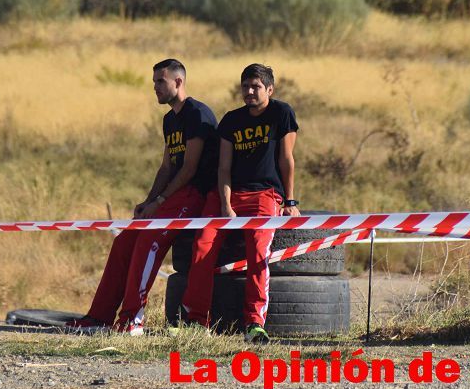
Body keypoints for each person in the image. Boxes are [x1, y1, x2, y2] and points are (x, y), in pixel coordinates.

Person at [66, 59, 218, 335]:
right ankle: (99, 317)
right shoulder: (169, 119)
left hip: (196, 194)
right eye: (154, 83)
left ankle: (132, 319)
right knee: (125, 240)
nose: (155, 88)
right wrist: (149, 202)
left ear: (178, 82)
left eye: (161, 82)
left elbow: (189, 169)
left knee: (149, 239)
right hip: (173, 195)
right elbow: (167, 167)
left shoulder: (198, 113)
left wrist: (159, 203)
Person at [181, 63, 300, 344]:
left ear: (269, 89)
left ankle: (254, 324)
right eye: (245, 86)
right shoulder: (231, 120)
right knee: (202, 246)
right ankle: (197, 321)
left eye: (255, 86)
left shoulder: (282, 113)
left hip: (265, 194)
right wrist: (225, 204)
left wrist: (290, 200)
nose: (249, 91)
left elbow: (287, 159)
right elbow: (224, 167)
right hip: (228, 194)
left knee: (258, 248)